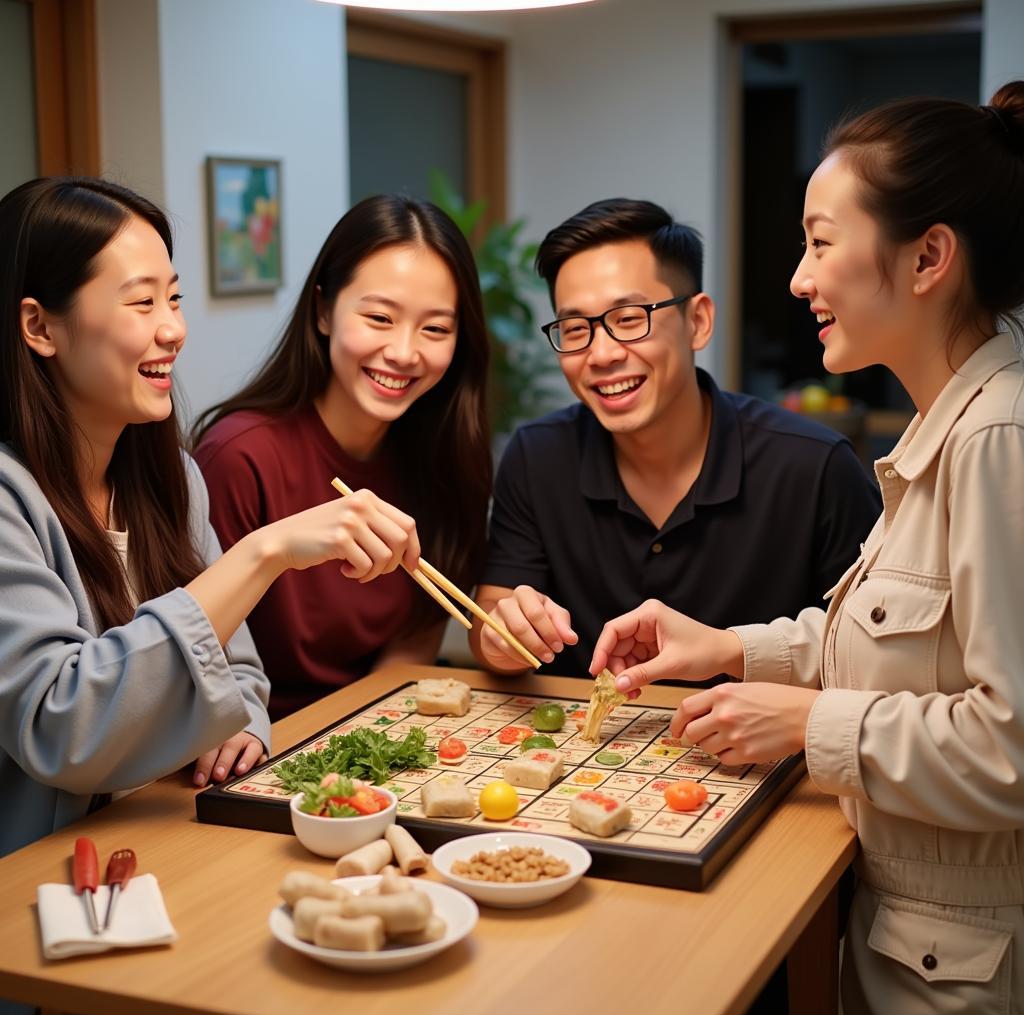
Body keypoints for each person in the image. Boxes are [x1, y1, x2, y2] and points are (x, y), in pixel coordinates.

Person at [592, 83, 1024, 1015]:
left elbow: (1010, 747)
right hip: (912, 938)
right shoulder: (946, 427)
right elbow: (900, 644)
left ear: (928, 258)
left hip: (969, 968)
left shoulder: (999, 437)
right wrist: (728, 648)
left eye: (821, 243)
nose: (798, 278)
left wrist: (806, 723)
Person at [0, 178, 422, 859]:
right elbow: (62, 727)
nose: (174, 328)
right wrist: (263, 552)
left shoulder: (173, 477)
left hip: (165, 838)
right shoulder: (8, 499)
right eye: (142, 302)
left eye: (173, 298)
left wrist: (245, 727)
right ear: (39, 327)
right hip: (48, 872)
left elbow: (241, 676)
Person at [470, 198, 880, 679]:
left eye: (628, 319)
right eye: (575, 328)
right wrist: (500, 637)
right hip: (581, 747)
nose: (600, 354)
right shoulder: (538, 455)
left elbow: (871, 653)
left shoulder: (814, 467)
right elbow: (491, 615)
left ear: (698, 321)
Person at [193, 195, 491, 719]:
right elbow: (193, 656)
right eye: (379, 317)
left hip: (376, 727)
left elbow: (416, 637)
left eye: (436, 329)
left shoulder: (449, 456)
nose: (403, 351)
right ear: (324, 311)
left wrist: (362, 738)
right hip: (252, 739)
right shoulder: (238, 457)